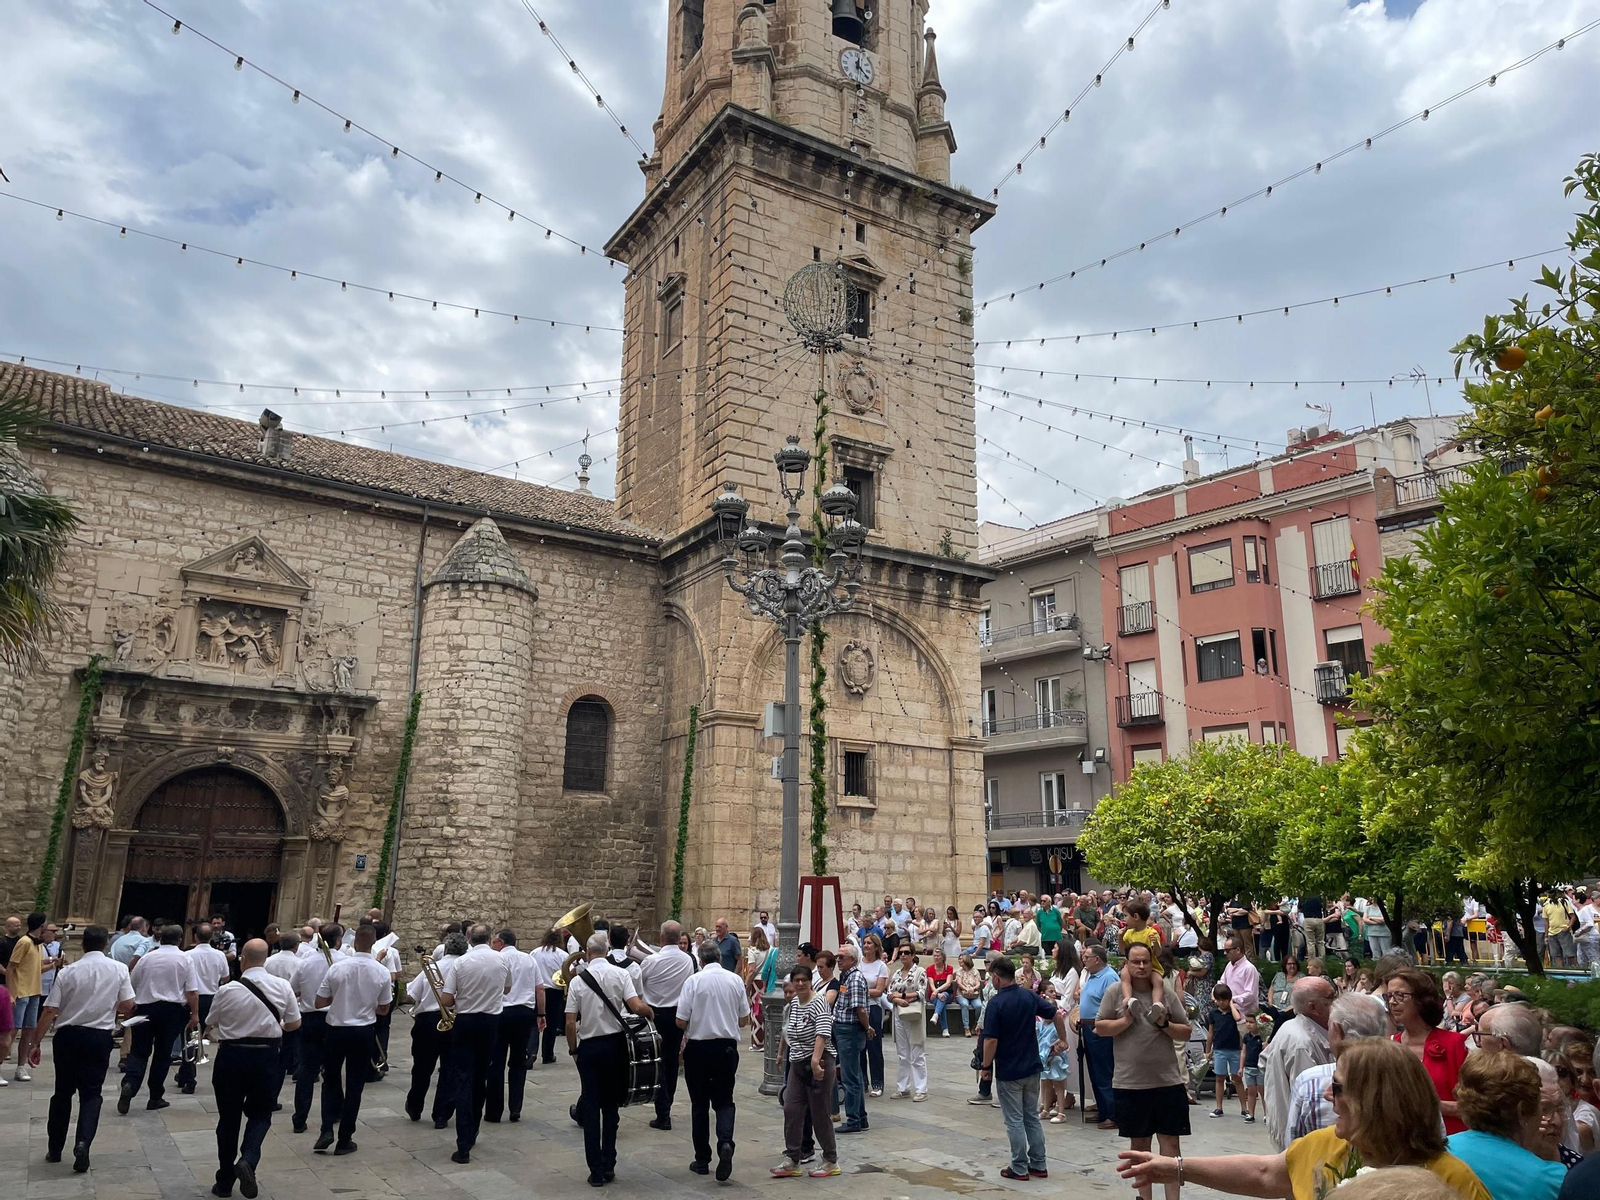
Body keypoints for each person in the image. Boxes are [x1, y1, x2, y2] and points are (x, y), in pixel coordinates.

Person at [1116, 1039, 1492, 1200]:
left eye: (1339, 1088)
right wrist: (1175, 1167)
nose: (1328, 1096)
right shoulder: (1327, 1143)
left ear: (1378, 1100)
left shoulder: (1452, 1181)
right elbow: (1266, 1174)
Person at [1092, 942, 1191, 1199]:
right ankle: (1144, 1197)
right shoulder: (1115, 992)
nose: (1141, 966)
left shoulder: (1165, 993)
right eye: (1135, 961)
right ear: (1126, 963)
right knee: (1139, 1147)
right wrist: (1126, 1020)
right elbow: (1100, 1027)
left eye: (1145, 961)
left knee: (1171, 1146)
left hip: (1168, 1082)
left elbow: (1186, 1032)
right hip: (1131, 1084)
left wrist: (1164, 1023)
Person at [203, 938, 299, 1199]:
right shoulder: (281, 986)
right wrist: (277, 1025)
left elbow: (211, 1021)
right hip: (266, 1057)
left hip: (232, 1057)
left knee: (229, 1119)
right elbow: (294, 1023)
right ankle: (248, 1158)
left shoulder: (228, 989)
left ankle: (224, 1181)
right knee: (260, 1114)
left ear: (243, 958)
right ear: (265, 959)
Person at [36, 925, 134, 1173]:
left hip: (68, 1036)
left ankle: (55, 1147)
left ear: (83, 945)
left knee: (62, 1093)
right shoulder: (119, 969)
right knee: (91, 1094)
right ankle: (83, 1143)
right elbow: (128, 1003)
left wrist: (34, 1042)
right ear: (106, 944)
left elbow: (50, 1009)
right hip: (98, 1037)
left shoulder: (68, 972)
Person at [566, 930, 653, 1187]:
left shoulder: (577, 981)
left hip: (590, 1047)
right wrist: (650, 1011)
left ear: (589, 952)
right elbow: (636, 1008)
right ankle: (609, 1163)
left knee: (591, 1107)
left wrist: (573, 1050)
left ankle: (595, 1170)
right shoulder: (621, 973)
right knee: (611, 1107)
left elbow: (570, 1022)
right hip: (616, 1047)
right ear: (606, 951)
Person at [981, 953, 1068, 1181]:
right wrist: (1063, 1039)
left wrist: (985, 1065)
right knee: (1031, 1116)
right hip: (1031, 1066)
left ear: (997, 978)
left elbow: (991, 1040)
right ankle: (1039, 1163)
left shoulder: (996, 1003)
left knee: (1014, 1120)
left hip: (1009, 1069)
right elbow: (1055, 1013)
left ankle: (1019, 1166)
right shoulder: (1029, 996)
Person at [313, 923, 392, 1156]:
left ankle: (327, 1127)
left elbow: (319, 1002)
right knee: (355, 1085)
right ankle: (345, 1137)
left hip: (336, 1028)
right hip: (363, 1030)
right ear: (374, 943)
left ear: (355, 942)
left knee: (330, 1080)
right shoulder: (381, 971)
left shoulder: (337, 968)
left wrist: (341, 999)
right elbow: (384, 1008)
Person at [1446, 1050, 1566, 1200]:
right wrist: (1552, 1156)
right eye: (1542, 1107)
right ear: (1521, 1111)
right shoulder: (1546, 1178)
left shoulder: (1438, 1150)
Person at [440, 924, 512, 1163]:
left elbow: (447, 999)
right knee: (481, 1076)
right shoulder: (501, 960)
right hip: (491, 1022)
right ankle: (473, 1131)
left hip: (466, 1021)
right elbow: (507, 988)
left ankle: (463, 1143)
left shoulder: (461, 962)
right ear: (490, 938)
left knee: (462, 1077)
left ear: (469, 938)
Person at [675, 939, 746, 1182]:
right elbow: (744, 1019)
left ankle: (702, 1158)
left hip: (699, 1048)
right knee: (725, 1101)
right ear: (719, 958)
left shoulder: (693, 981)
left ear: (701, 961)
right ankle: (725, 1142)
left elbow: (681, 1021)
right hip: (726, 1047)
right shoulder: (735, 980)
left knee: (699, 1104)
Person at [120, 924, 199, 1113]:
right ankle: (155, 1095)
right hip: (171, 1010)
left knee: (139, 1051)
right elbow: (192, 991)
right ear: (179, 940)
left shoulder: (147, 958)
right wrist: (195, 1014)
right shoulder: (185, 959)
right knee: (163, 1054)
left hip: (145, 1008)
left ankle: (130, 1082)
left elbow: (133, 983)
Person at [772, 966, 840, 1178]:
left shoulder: (819, 1001)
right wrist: (782, 1054)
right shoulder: (793, 1003)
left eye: (804, 980)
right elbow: (787, 1030)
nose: (800, 984)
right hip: (797, 1063)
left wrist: (815, 1061)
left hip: (818, 1062)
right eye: (797, 980)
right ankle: (793, 1158)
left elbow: (822, 1032)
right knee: (791, 1108)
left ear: (810, 981)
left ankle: (830, 1159)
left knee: (819, 1112)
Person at [1385, 967, 1468, 1134]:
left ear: (1421, 999)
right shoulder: (1388, 1047)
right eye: (1388, 996)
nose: (1392, 1002)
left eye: (1400, 995)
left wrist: (1434, 1106)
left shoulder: (1454, 1044)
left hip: (1451, 1143)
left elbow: (1477, 1107)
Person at [1263, 976, 1337, 1150]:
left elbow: (1263, 1061)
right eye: (1331, 997)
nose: (1337, 1002)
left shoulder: (1294, 1027)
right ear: (1313, 1007)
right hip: (1306, 1140)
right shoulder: (1301, 1043)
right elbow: (1312, 1100)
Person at [640, 919, 695, 1132]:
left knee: (657, 1061)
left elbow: (639, 984)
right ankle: (667, 1104)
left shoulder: (651, 960)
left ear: (662, 938)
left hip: (655, 1015)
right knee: (671, 1061)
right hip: (677, 1015)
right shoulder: (688, 960)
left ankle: (662, 1111)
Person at [404, 932, 464, 1125]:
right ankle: (441, 1114)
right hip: (455, 1020)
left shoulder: (431, 967)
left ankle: (414, 1106)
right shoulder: (465, 968)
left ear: (445, 948)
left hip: (427, 1021)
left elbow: (411, 996)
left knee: (422, 1067)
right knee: (450, 1069)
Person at [288, 924, 339, 1133]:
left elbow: (293, 990)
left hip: (310, 1018)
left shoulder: (305, 963)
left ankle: (300, 1117)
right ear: (338, 940)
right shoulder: (343, 962)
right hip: (333, 1019)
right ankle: (333, 1113)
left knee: (307, 1071)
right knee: (333, 1071)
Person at [484, 928, 536, 1126]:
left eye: (494, 942)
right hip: (523, 1012)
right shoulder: (529, 959)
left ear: (501, 943)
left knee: (496, 1061)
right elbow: (538, 987)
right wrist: (541, 1014)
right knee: (518, 1060)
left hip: (500, 1011)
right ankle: (516, 1107)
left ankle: (494, 1112)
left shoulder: (497, 959)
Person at [178, 922, 231, 1094]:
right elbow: (226, 977)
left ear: (195, 937)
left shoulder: (188, 955)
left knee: (189, 1037)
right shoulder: (219, 955)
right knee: (196, 1036)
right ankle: (184, 1073)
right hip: (210, 997)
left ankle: (189, 1077)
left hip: (192, 996)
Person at [1077, 944, 1120, 1129]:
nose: (1084, 959)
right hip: (1087, 1027)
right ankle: (1103, 1110)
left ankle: (1113, 1113)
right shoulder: (1091, 976)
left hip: (1100, 1029)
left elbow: (1114, 1005)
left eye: (1087, 956)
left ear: (1097, 959)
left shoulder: (1109, 977)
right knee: (1094, 1071)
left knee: (1104, 1071)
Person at [832, 943, 873, 1133]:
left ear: (852, 960)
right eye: (837, 956)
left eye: (842, 957)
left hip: (849, 1030)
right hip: (845, 1030)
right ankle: (860, 1117)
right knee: (854, 1075)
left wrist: (867, 1027)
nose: (838, 960)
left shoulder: (854, 979)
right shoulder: (846, 977)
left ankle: (854, 1119)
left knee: (850, 1078)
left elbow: (860, 1009)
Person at [8, 912, 47, 1080]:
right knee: (13, 1030)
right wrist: (11, 994)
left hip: (34, 992)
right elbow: (11, 968)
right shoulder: (23, 942)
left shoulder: (37, 944)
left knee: (29, 1030)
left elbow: (34, 969)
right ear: (41, 925)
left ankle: (20, 1066)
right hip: (21, 992)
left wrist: (53, 964)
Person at [887, 946, 929, 1100]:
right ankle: (903, 1087)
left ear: (912, 955)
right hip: (899, 1013)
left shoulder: (920, 971)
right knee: (902, 1052)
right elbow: (890, 992)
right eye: (901, 953)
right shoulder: (897, 973)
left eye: (906, 953)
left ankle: (921, 1089)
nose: (903, 955)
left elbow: (921, 992)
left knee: (917, 1051)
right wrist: (898, 999)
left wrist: (903, 995)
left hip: (913, 1014)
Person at [1204, 982, 1245, 1119]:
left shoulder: (1233, 1012)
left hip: (1234, 1049)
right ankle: (1219, 1107)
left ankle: (1244, 1108)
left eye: (1225, 999)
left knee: (1237, 1079)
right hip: (1219, 1049)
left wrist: (1232, 1005)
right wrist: (1207, 1050)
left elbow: (1238, 1018)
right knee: (1219, 1078)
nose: (1222, 1002)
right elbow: (1210, 1033)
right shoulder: (1213, 1014)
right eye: (1219, 999)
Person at [857, 933, 889, 1097]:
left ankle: (878, 1082)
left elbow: (878, 991)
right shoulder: (857, 964)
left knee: (874, 1047)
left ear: (876, 946)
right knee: (859, 1047)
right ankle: (862, 1081)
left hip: (873, 1008)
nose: (866, 945)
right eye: (864, 942)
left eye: (869, 943)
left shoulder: (880, 966)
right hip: (857, 1008)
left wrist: (860, 992)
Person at [1037, 981, 1073, 1122]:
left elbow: (1061, 1041)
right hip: (1044, 1058)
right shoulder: (1040, 1025)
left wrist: (1055, 1050)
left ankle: (1061, 1111)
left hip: (1055, 1058)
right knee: (1045, 1083)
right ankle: (1045, 1108)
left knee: (1058, 1084)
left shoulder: (1056, 1026)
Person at [530, 928, 567, 1065]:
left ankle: (531, 1052)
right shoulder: (563, 955)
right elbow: (566, 973)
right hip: (555, 991)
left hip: (537, 990)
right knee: (551, 1025)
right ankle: (547, 1054)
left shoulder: (535, 952)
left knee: (534, 1022)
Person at [744, 927, 776, 1050]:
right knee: (765, 1012)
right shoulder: (771, 950)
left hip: (756, 984)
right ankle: (767, 1041)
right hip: (767, 982)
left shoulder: (752, 951)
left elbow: (751, 971)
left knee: (756, 1012)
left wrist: (747, 984)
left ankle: (757, 1042)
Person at [1219, 935, 1259, 1017]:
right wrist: (1215, 992)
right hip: (1229, 1013)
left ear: (1237, 950)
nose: (1225, 953)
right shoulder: (1229, 966)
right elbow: (1222, 983)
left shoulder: (1249, 968)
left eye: (1227, 950)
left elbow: (1250, 995)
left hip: (1245, 1016)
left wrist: (1230, 1000)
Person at [952, 953, 984, 1037]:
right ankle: (966, 1028)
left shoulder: (975, 971)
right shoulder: (959, 972)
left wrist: (972, 989)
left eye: (961, 959)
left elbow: (978, 983)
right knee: (965, 1004)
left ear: (967, 960)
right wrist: (967, 989)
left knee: (979, 1006)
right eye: (959, 959)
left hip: (974, 994)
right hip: (962, 994)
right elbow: (959, 983)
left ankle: (975, 1026)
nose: (959, 961)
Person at [926, 948, 955, 1037]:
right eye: (934, 956)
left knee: (944, 996)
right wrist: (936, 993)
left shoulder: (949, 968)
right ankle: (944, 1029)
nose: (936, 958)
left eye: (938, 956)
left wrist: (938, 992)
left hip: (947, 994)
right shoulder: (929, 969)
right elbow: (931, 984)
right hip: (934, 996)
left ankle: (936, 1015)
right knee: (941, 1001)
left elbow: (948, 983)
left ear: (943, 957)